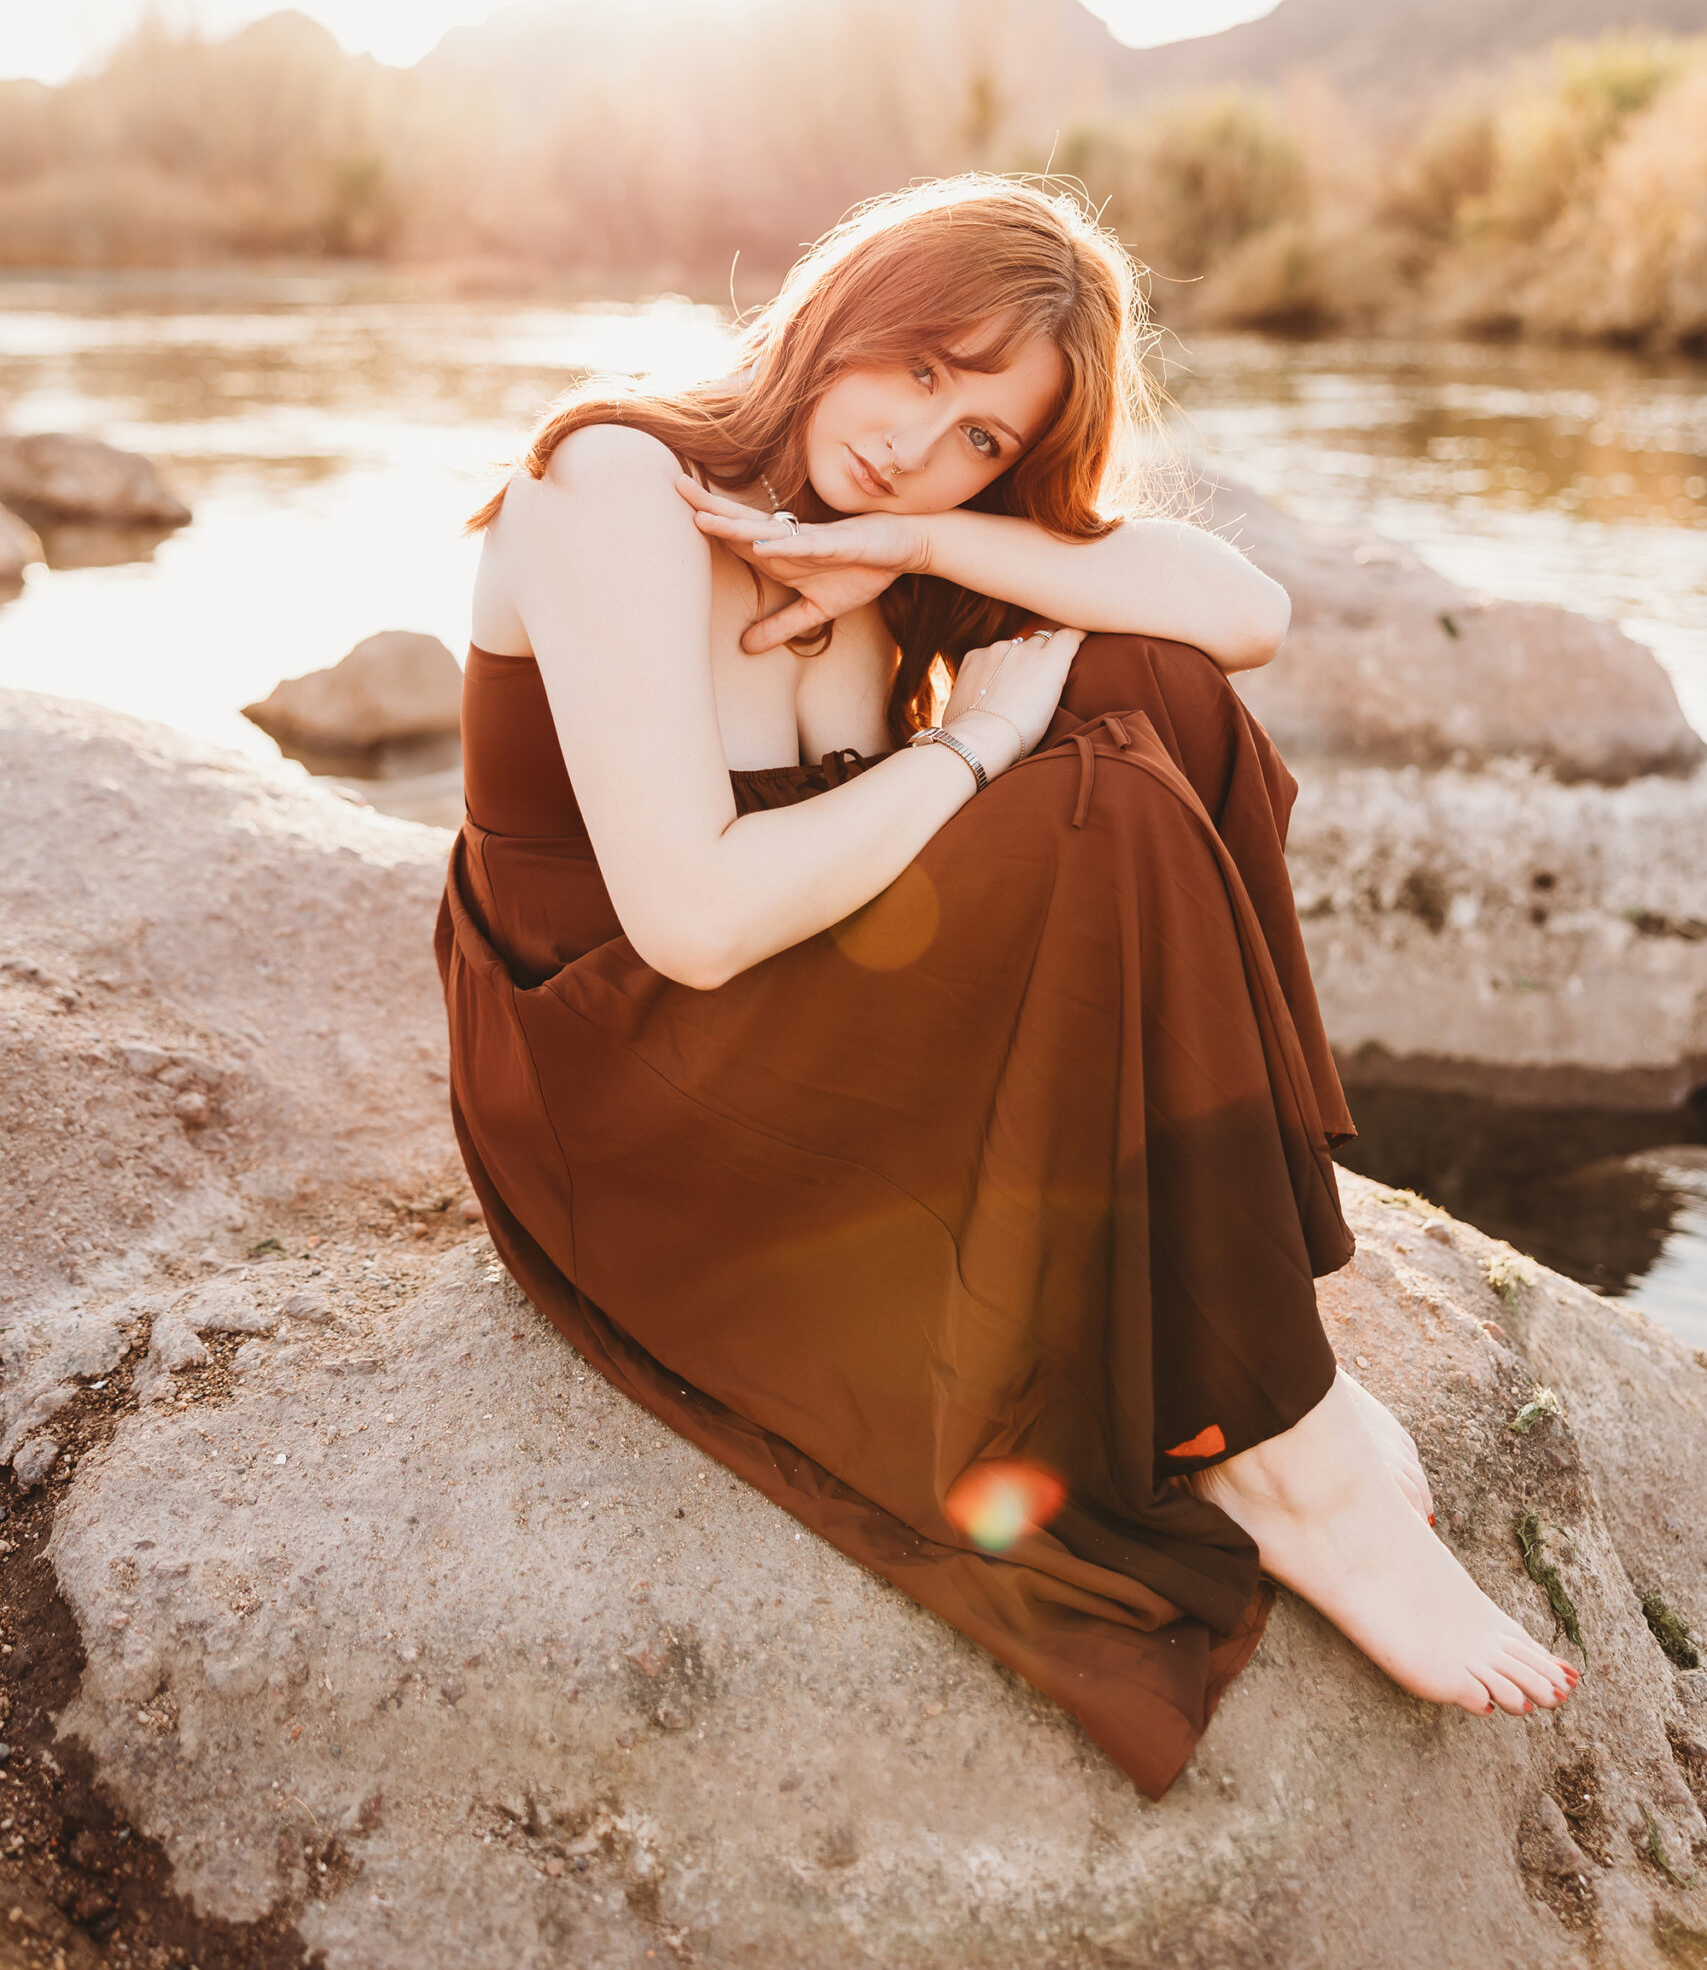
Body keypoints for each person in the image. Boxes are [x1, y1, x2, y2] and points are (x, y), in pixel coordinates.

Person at [437, 175, 1575, 1800]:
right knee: (1085, 790)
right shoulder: (620, 478)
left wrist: (911, 542)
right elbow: (688, 923)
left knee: (1147, 690)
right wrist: (973, 745)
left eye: (983, 435)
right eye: (920, 367)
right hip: (618, 1077)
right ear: (845, 314)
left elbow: (1241, 618)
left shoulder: (882, 529)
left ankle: (1266, 1355)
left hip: (775, 1016)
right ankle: (1290, 1455)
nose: (922, 438)